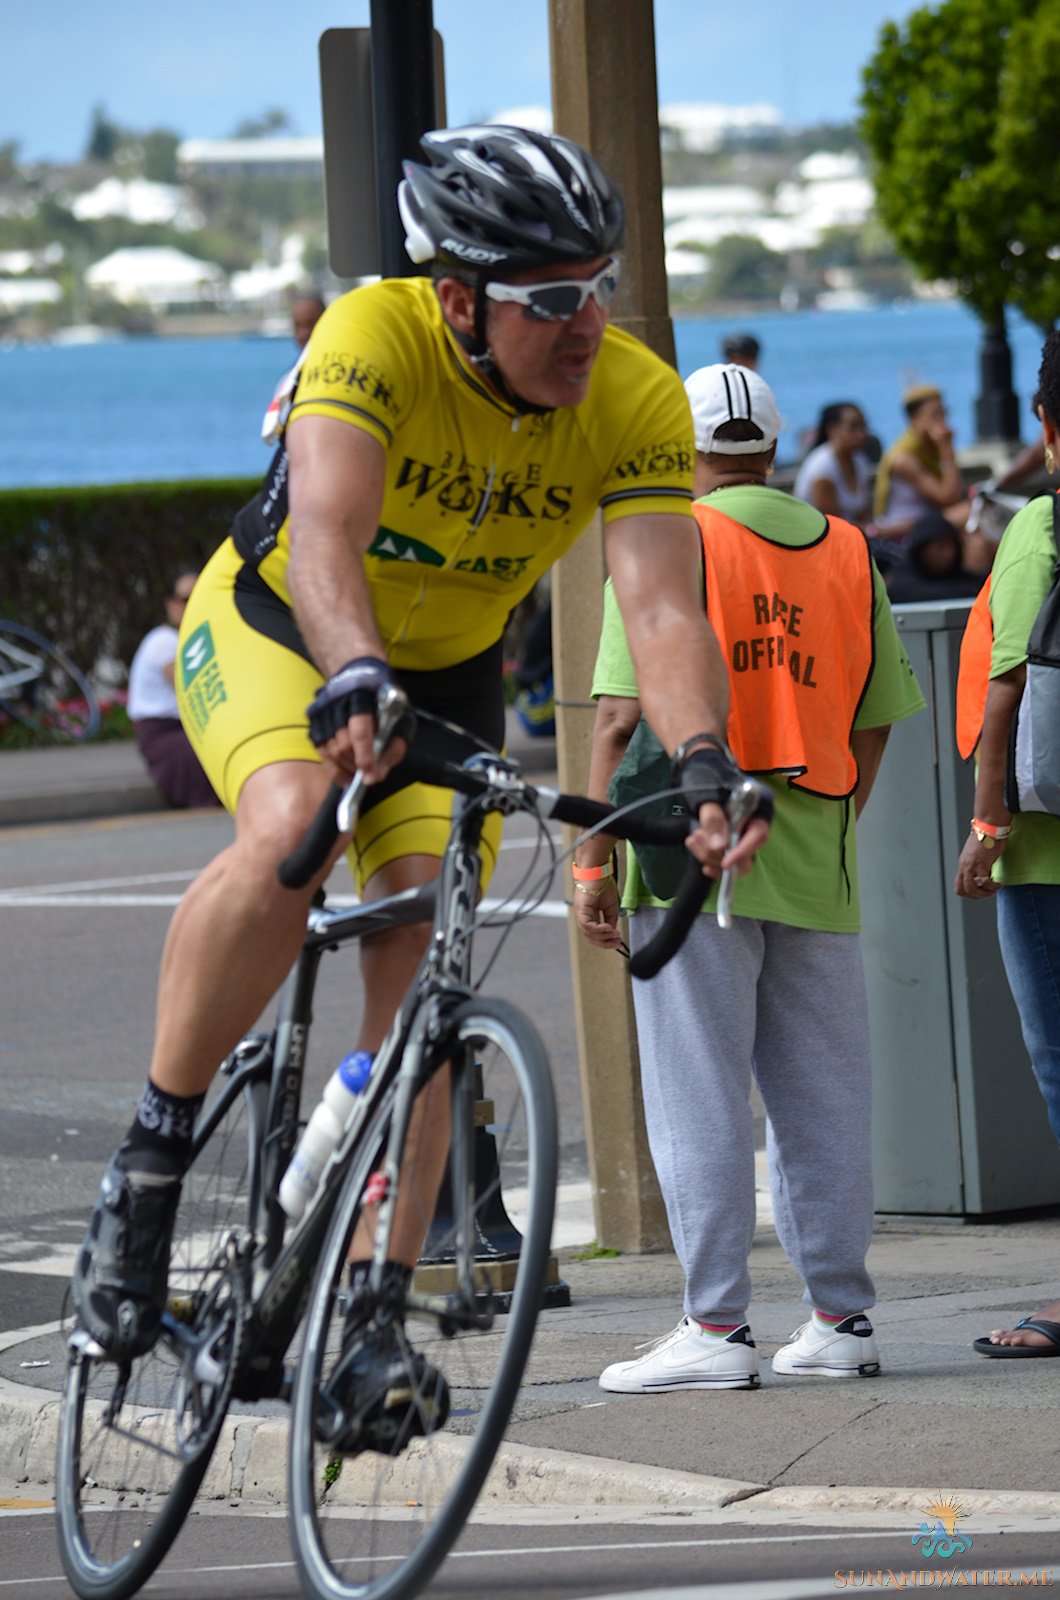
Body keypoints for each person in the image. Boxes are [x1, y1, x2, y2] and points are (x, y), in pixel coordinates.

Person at [70, 127, 770, 1440]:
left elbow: (664, 611)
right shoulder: (373, 336)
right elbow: (327, 530)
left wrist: (702, 763)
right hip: (292, 629)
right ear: (458, 298)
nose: (586, 323)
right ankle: (148, 1171)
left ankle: (376, 1313)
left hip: (444, 673)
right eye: (549, 298)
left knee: (426, 985)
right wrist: (348, 676)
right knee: (290, 832)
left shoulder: (630, 393)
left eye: (598, 287)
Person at [575, 362, 925, 1391]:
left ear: (682, 453)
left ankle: (715, 1326)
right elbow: (875, 716)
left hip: (685, 846)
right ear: (772, 445)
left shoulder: (666, 539)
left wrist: (590, 856)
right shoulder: (849, 550)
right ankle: (840, 1316)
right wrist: (829, 817)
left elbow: (618, 715)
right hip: (812, 842)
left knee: (699, 1095)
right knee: (824, 1097)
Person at [955, 329, 1060, 1359]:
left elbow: (1008, 680)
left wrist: (987, 823)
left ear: (1043, 422)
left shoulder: (1043, 520)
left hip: (1048, 848)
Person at [126, 570, 220, 810]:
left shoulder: (193, 639)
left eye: (202, 594)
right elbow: (192, 689)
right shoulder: (164, 641)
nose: (195, 603)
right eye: (186, 598)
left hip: (188, 731)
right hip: (167, 736)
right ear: (170, 603)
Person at [873, 384, 977, 562]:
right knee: (969, 513)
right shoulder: (904, 459)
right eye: (935, 415)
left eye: (943, 413)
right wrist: (946, 448)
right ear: (915, 420)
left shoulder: (928, 450)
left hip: (925, 522)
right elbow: (948, 498)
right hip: (902, 533)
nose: (942, 420)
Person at [792, 401, 873, 527]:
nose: (862, 434)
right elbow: (834, 525)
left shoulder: (859, 460)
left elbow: (863, 514)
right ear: (832, 429)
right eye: (854, 427)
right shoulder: (822, 467)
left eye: (863, 426)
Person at [884, 508, 984, 604]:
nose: (949, 554)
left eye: (953, 546)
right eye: (941, 547)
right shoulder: (901, 581)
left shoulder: (966, 580)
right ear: (922, 549)